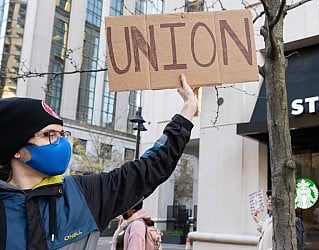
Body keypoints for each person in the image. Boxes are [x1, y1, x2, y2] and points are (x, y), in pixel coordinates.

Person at [0, 73, 197, 249]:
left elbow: (151, 168)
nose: (60, 143)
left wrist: (188, 109)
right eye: (49, 134)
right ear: (17, 149)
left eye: (62, 134)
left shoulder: (84, 194)